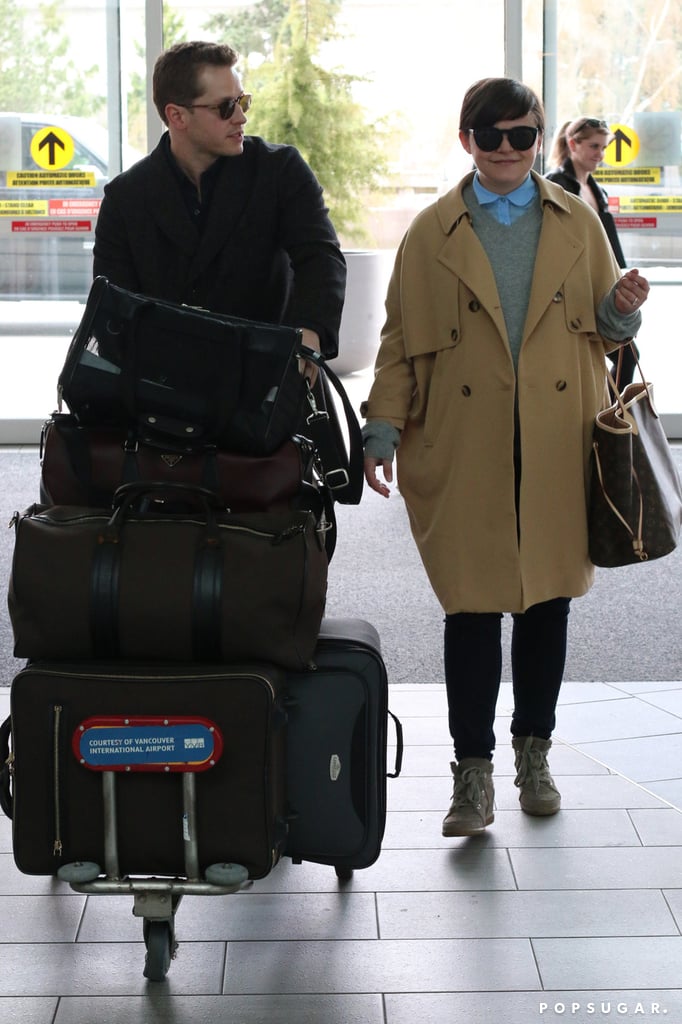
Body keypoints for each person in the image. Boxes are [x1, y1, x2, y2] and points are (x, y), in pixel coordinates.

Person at [362, 77, 649, 838]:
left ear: (538, 137)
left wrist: (622, 310)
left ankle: (534, 753)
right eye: (490, 138)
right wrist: (382, 427)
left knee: (548, 601)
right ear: (467, 141)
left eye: (522, 136)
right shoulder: (432, 231)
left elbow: (606, 330)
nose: (507, 151)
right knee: (471, 607)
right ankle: (473, 772)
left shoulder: (577, 223)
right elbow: (399, 342)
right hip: (466, 443)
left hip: (558, 436)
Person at [92, 40, 346, 377]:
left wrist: (309, 334)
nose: (241, 117)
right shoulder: (126, 197)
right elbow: (111, 309)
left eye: (243, 101)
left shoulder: (280, 171)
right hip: (164, 396)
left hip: (269, 381)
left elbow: (321, 259)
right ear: (177, 116)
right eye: (226, 107)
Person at [546, 117, 638, 384]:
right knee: (625, 357)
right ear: (573, 144)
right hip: (572, 290)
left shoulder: (597, 190)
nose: (601, 155)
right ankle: (608, 419)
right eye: (595, 146)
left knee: (625, 356)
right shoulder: (556, 186)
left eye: (604, 147)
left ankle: (607, 416)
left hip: (599, 285)